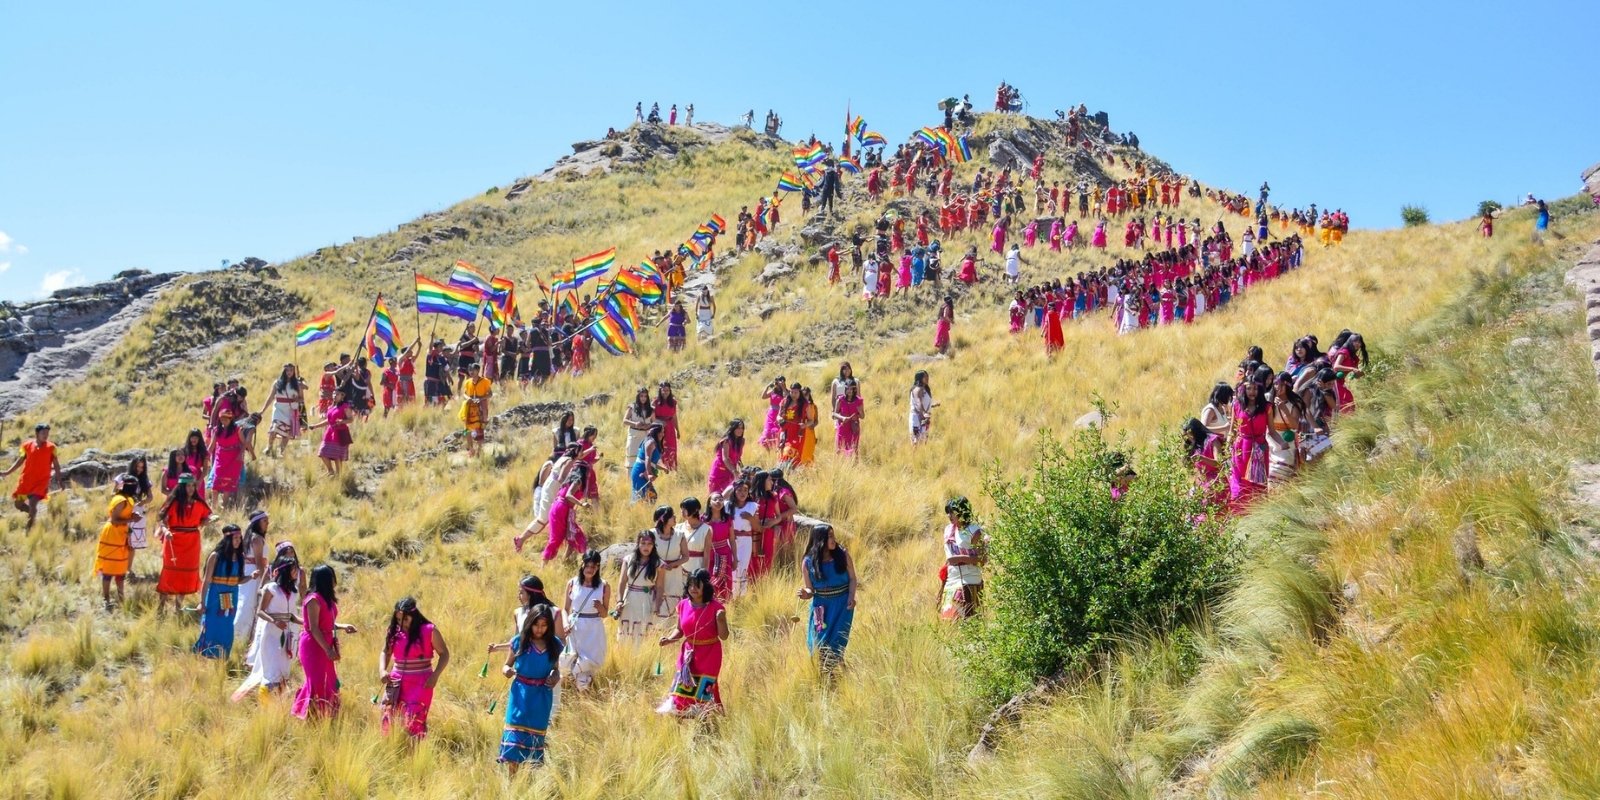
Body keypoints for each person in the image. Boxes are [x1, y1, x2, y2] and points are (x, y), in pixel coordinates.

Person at [656, 569, 728, 717]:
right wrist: (669, 639)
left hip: (710, 654)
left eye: (697, 585)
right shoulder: (683, 605)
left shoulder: (716, 608)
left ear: (705, 587)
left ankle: (706, 716)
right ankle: (682, 715)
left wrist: (721, 620)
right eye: (690, 585)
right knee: (684, 686)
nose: (693, 589)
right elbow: (679, 630)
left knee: (705, 687)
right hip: (688, 654)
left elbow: (724, 636)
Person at [499, 603, 561, 772]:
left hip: (541, 697)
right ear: (529, 623)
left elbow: (556, 668)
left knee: (534, 741)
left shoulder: (554, 644)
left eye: (544, 625)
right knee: (515, 738)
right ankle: (513, 780)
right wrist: (508, 671)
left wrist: (555, 676)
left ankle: (529, 783)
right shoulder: (519, 641)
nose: (539, 629)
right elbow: (506, 665)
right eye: (536, 624)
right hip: (520, 694)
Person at [232, 552, 302, 700]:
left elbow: (291, 616)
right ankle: (265, 705)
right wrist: (274, 621)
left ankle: (279, 702)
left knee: (284, 669)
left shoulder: (293, 592)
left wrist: (306, 623)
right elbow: (260, 612)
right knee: (271, 669)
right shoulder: (271, 588)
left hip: (288, 635)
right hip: (271, 634)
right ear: (285, 571)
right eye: (293, 569)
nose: (296, 572)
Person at [379, 597, 450, 740]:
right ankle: (393, 749)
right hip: (396, 682)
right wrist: (382, 670)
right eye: (398, 620)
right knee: (389, 716)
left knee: (414, 720)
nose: (401, 623)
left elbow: (444, 654)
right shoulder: (394, 631)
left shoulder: (429, 630)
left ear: (414, 616)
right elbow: (385, 652)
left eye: (405, 620)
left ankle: (415, 755)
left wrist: (435, 675)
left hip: (422, 683)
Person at [293, 564, 357, 719]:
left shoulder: (326, 599)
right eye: (332, 577)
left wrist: (343, 626)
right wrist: (328, 649)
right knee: (317, 680)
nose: (335, 581)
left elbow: (327, 623)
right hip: (314, 646)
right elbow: (314, 628)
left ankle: (326, 714)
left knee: (328, 680)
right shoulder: (313, 600)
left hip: (325, 643)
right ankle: (313, 715)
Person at [798, 524, 857, 671]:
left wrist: (851, 596)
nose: (833, 539)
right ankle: (825, 676)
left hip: (842, 606)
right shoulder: (808, 562)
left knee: (836, 643)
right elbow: (810, 589)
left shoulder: (843, 555)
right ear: (820, 539)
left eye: (833, 535)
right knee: (819, 643)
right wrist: (806, 593)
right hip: (820, 608)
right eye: (829, 536)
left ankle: (841, 674)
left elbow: (853, 579)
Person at [155, 475, 213, 614]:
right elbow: (162, 520)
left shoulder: (199, 503)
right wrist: (165, 531)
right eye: (188, 486)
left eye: (193, 486)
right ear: (182, 487)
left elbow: (206, 516)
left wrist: (208, 520)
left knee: (186, 574)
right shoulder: (173, 502)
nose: (191, 489)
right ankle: (160, 608)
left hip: (192, 542)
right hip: (173, 541)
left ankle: (178, 608)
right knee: (170, 573)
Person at [194, 524, 247, 658]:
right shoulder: (215, 556)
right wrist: (202, 602)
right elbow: (206, 581)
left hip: (231, 598)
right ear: (228, 538)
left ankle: (222, 658)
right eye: (235, 538)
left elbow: (237, 580)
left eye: (239, 538)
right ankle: (205, 657)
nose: (238, 541)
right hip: (215, 597)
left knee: (227, 627)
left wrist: (251, 577)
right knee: (211, 626)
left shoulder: (240, 557)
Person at [562, 550, 609, 691]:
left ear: (598, 567)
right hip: (575, 627)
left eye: (593, 567)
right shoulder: (572, 583)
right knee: (568, 660)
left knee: (587, 664)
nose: (589, 570)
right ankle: (569, 691)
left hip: (593, 629)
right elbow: (565, 609)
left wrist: (600, 607)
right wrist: (565, 623)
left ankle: (584, 696)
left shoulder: (604, 586)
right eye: (587, 566)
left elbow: (605, 613)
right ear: (582, 565)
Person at [94, 473, 143, 608]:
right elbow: (115, 520)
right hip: (112, 535)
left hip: (121, 535)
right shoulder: (121, 500)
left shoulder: (128, 500)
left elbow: (124, 514)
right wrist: (132, 519)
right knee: (109, 570)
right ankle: (106, 598)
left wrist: (132, 515)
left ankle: (121, 598)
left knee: (120, 569)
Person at [3, 423, 60, 530]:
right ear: (37, 433)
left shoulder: (52, 448)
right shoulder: (26, 446)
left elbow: (56, 465)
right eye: (43, 433)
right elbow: (19, 461)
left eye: (47, 433)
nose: (46, 435)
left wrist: (59, 480)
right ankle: (32, 513)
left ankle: (29, 529)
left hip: (41, 483)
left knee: (33, 503)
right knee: (18, 504)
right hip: (26, 482)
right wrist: (7, 472)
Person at [939, 496, 985, 620]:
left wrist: (961, 558)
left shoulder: (975, 531)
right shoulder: (948, 530)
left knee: (968, 619)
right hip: (951, 579)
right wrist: (941, 587)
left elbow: (983, 559)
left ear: (962, 512)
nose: (949, 515)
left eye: (952, 512)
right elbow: (948, 560)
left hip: (969, 579)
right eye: (948, 512)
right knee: (947, 615)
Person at [614, 531, 662, 646]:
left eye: (649, 544)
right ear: (638, 544)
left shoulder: (658, 564)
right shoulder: (628, 560)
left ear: (653, 545)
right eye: (643, 543)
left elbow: (660, 587)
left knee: (643, 634)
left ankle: (641, 662)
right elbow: (622, 582)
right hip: (629, 600)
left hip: (647, 601)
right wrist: (619, 601)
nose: (646, 547)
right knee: (626, 634)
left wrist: (657, 605)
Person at [233, 510, 270, 649]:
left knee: (246, 604)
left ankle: (242, 638)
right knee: (248, 605)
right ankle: (239, 637)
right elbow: (260, 562)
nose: (267, 524)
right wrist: (263, 582)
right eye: (264, 521)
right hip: (254, 574)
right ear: (257, 523)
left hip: (249, 572)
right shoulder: (257, 539)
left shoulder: (252, 537)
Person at [541, 464, 592, 564]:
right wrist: (581, 503)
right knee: (556, 539)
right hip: (561, 509)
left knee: (575, 535)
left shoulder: (570, 481)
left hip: (566, 510)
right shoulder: (577, 481)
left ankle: (565, 561)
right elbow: (568, 495)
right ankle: (543, 567)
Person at [307, 389, 353, 476]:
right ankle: (330, 471)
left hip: (340, 433)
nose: (335, 395)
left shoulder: (345, 406)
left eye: (338, 394)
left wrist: (342, 421)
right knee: (322, 452)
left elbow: (351, 419)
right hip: (329, 433)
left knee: (337, 457)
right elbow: (328, 421)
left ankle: (339, 477)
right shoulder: (331, 407)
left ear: (342, 396)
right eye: (334, 393)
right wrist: (315, 426)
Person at [459, 362, 493, 457]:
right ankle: (471, 450)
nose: (471, 372)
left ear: (478, 371)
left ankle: (479, 451)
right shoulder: (468, 382)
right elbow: (465, 394)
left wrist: (481, 398)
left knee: (480, 429)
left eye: (473, 370)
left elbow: (490, 394)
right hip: (469, 407)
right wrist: (467, 398)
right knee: (466, 430)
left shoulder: (485, 381)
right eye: (470, 370)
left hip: (481, 408)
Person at [630, 424, 667, 503]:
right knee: (641, 498)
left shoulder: (654, 442)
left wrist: (663, 468)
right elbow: (647, 459)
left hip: (645, 473)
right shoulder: (651, 442)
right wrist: (650, 474)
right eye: (661, 432)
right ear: (656, 432)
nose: (663, 434)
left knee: (652, 497)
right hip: (640, 472)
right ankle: (634, 512)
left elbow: (653, 463)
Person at [707, 420, 745, 496]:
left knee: (728, 495)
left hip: (730, 471)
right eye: (738, 428)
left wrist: (743, 468)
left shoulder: (741, 441)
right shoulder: (726, 441)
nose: (740, 430)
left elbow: (738, 457)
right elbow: (726, 458)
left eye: (742, 428)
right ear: (733, 429)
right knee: (715, 495)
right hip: (720, 470)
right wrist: (734, 471)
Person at [623, 387, 655, 467]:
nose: (643, 398)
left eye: (645, 396)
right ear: (638, 396)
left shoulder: (651, 409)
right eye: (641, 396)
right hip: (634, 435)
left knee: (644, 460)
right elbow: (625, 420)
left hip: (645, 436)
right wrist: (635, 424)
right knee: (631, 461)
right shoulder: (632, 407)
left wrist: (649, 426)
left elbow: (654, 423)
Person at [832, 380, 864, 456]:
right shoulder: (840, 399)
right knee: (840, 448)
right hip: (843, 427)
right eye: (847, 389)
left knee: (854, 448)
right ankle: (839, 465)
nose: (849, 391)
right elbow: (834, 414)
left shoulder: (859, 401)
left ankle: (854, 466)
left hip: (853, 428)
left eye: (851, 389)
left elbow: (863, 416)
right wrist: (842, 418)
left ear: (854, 390)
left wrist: (860, 412)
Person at [653, 382, 680, 470]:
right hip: (658, 428)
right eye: (663, 390)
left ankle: (671, 467)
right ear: (660, 391)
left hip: (670, 427)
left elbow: (674, 417)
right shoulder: (655, 402)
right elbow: (651, 417)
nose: (665, 392)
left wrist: (678, 430)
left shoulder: (673, 402)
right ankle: (660, 468)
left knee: (671, 447)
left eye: (667, 390)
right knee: (660, 447)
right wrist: (659, 422)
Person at [759, 376, 787, 451]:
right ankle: (767, 448)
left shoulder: (786, 391)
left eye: (778, 383)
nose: (777, 384)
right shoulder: (773, 391)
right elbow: (763, 396)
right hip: (770, 414)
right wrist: (767, 386)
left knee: (777, 431)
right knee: (768, 431)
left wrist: (783, 387)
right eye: (776, 382)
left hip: (780, 414)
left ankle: (777, 448)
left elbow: (787, 398)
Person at [909, 371, 937, 443]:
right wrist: (924, 412)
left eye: (927, 376)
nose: (927, 378)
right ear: (920, 378)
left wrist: (933, 405)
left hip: (924, 418)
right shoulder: (917, 389)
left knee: (924, 440)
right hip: (916, 418)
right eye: (925, 377)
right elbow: (918, 401)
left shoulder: (925, 389)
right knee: (916, 441)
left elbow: (924, 403)